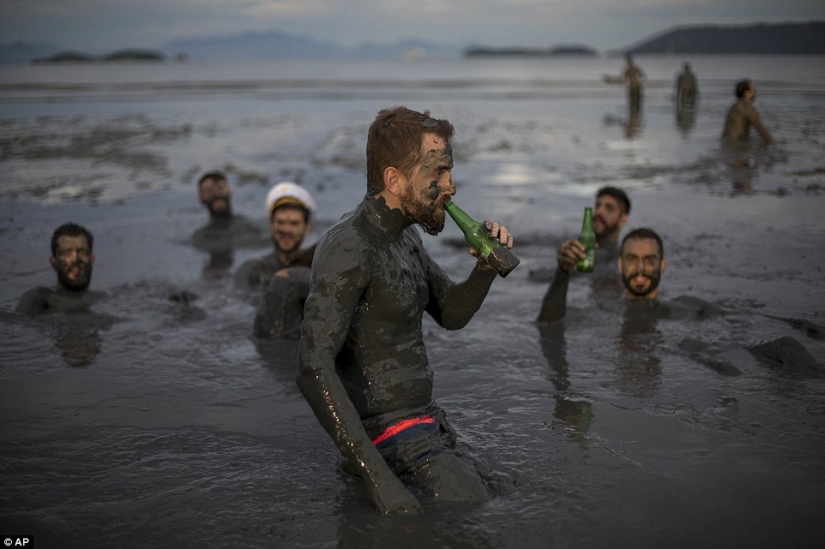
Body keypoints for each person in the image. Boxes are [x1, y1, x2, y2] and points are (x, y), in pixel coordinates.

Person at [296, 106, 515, 515]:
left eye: (449, 172)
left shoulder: (405, 235)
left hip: (428, 425)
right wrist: (379, 482)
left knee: (509, 491)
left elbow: (450, 312)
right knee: (483, 516)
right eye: (437, 174)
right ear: (394, 179)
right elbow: (313, 366)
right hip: (387, 438)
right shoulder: (349, 247)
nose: (450, 187)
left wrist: (484, 267)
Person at [234, 181, 317, 290]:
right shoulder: (252, 270)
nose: (286, 230)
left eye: (294, 223)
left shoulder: (316, 267)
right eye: (280, 222)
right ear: (271, 225)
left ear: (307, 228)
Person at [16, 223, 102, 314]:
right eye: (66, 253)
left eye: (83, 253)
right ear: (54, 262)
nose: (76, 259)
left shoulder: (100, 298)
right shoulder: (40, 297)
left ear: (92, 260)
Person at [191, 171, 265, 273]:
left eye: (220, 188)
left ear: (229, 191)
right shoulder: (200, 237)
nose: (216, 194)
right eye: (209, 191)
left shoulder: (246, 223)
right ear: (201, 198)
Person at [722, 79, 774, 144]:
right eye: (752, 90)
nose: (754, 92)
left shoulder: (734, 106)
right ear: (746, 92)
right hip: (737, 145)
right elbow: (761, 130)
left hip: (725, 142)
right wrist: (773, 142)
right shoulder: (747, 107)